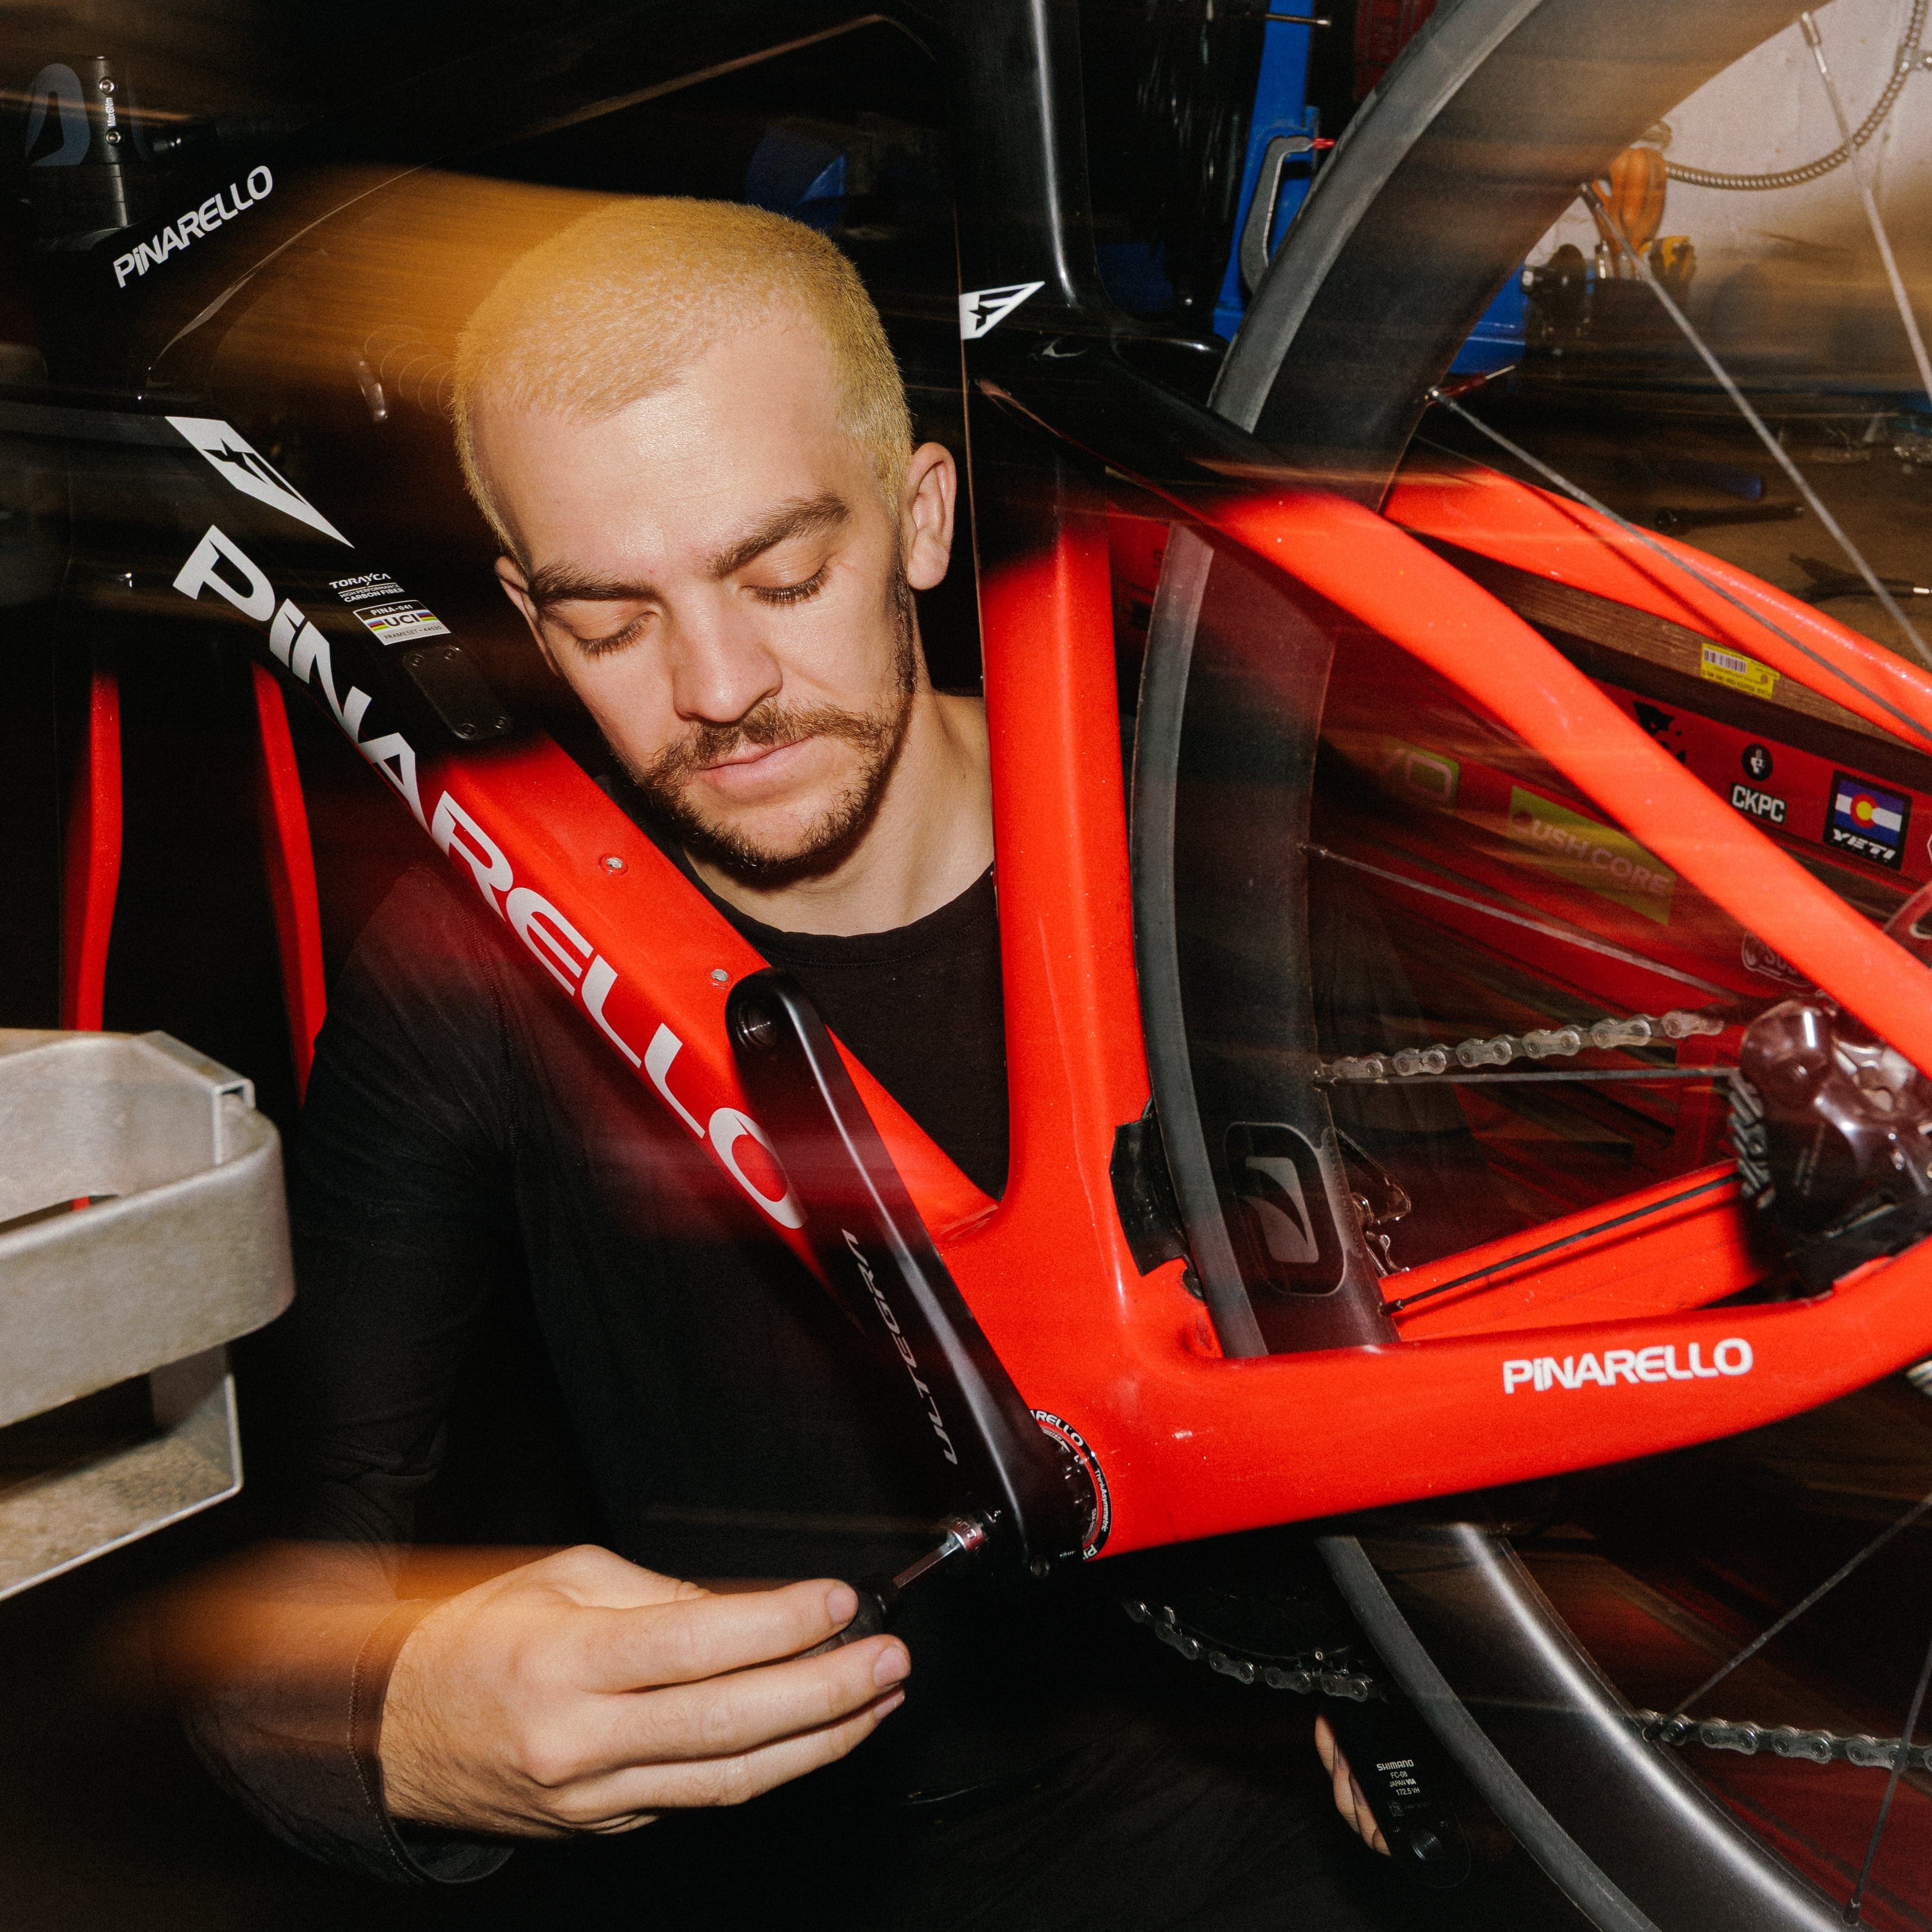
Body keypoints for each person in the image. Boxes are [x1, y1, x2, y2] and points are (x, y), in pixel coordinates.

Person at [182, 196, 1392, 1926]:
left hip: (1254, 1843)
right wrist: (395, 1731)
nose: (718, 685)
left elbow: (1512, 1367)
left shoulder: (1222, 851)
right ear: (525, 608)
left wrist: (1424, 1658)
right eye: (609, 620)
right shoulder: (479, 954)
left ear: (920, 515)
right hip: (785, 1871)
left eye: (781, 574)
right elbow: (271, 1588)